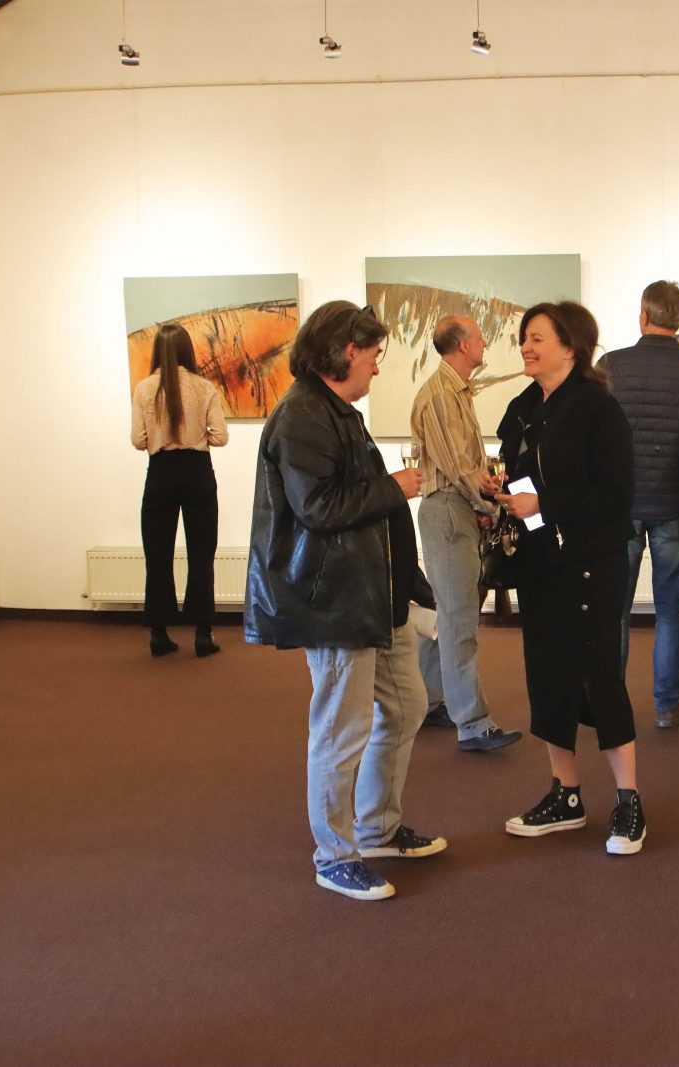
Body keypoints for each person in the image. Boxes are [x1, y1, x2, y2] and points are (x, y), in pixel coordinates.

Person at [245, 300, 446, 901]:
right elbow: (320, 508)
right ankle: (333, 856)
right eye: (374, 355)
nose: (377, 368)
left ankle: (377, 829)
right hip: (333, 601)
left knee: (406, 706)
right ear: (346, 351)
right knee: (340, 731)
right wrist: (395, 487)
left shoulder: (334, 411)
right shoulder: (302, 416)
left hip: (371, 597)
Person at [494, 301, 645, 855]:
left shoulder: (597, 408)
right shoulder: (524, 407)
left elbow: (617, 494)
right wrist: (502, 496)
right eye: (524, 338)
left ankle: (629, 801)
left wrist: (545, 503)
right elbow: (518, 472)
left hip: (591, 563)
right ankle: (567, 794)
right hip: (541, 561)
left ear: (570, 346)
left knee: (598, 676)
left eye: (537, 338)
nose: (526, 347)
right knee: (548, 676)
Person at [598, 281, 679, 729]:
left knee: (615, 610)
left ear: (643, 316)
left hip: (620, 507)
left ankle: (611, 706)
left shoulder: (611, 365)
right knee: (670, 610)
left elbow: (595, 436)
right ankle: (667, 706)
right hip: (672, 504)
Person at [409, 316, 522, 752]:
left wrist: (484, 493)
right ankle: (472, 723)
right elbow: (458, 468)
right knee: (459, 619)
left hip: (456, 510)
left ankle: (431, 700)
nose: (485, 342)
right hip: (448, 511)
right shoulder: (441, 395)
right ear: (461, 345)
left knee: (448, 611)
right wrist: (489, 504)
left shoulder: (456, 392)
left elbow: (465, 467)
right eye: (478, 337)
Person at [130, 323, 229, 658]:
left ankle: (159, 634)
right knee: (202, 554)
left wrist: (160, 437)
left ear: (157, 351)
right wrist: (198, 435)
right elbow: (221, 437)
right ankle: (203, 634)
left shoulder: (144, 389)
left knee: (157, 555)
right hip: (198, 472)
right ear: (188, 350)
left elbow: (138, 440)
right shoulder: (205, 387)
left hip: (161, 473)